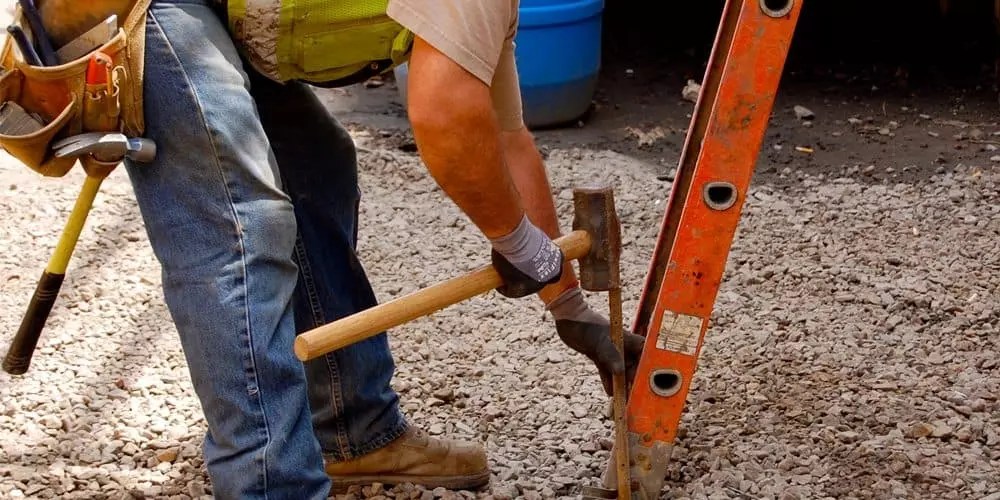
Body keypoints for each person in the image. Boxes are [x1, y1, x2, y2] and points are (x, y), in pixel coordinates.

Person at [73, 0, 645, 498]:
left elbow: (503, 137)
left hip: (241, 16)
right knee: (241, 227)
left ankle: (352, 434)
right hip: (155, 7)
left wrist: (569, 308)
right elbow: (443, 116)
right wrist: (519, 243)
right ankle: (272, 486)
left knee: (317, 172)